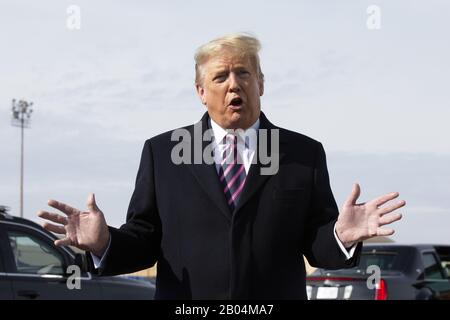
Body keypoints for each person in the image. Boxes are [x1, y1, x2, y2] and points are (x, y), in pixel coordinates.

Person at [37, 33, 405, 299]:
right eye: (220, 77)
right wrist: (104, 242)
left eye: (244, 74)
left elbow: (317, 247)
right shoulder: (162, 153)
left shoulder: (302, 153)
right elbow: (146, 239)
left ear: (261, 83)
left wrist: (341, 236)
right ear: (201, 91)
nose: (234, 86)